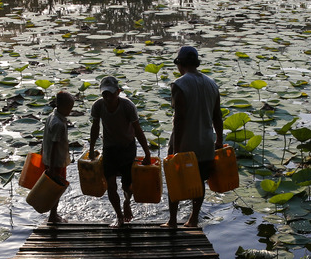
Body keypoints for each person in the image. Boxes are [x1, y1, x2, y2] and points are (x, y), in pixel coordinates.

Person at [165, 46, 223, 228]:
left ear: (179, 64)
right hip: (206, 142)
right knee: (200, 181)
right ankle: (193, 219)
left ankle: (173, 220)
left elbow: (179, 119)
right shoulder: (212, 83)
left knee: (174, 180)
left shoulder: (179, 84)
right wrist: (219, 140)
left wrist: (175, 148)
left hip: (185, 143)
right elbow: (217, 116)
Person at [88, 76, 152, 227]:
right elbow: (95, 128)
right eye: (104, 94)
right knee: (111, 185)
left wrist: (147, 153)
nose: (107, 97)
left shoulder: (127, 106)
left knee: (127, 185)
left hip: (127, 147)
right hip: (109, 148)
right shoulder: (98, 106)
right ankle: (119, 216)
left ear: (118, 92)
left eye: (110, 93)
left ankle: (127, 201)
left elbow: (138, 130)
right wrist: (91, 148)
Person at [41, 90, 74, 224]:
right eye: (69, 108)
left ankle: (53, 214)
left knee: (54, 188)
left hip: (49, 158)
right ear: (62, 107)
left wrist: (42, 152)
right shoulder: (58, 124)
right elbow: (54, 146)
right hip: (56, 162)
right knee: (56, 189)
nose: (70, 111)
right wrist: (53, 169)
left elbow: (45, 138)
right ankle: (53, 216)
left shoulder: (52, 116)